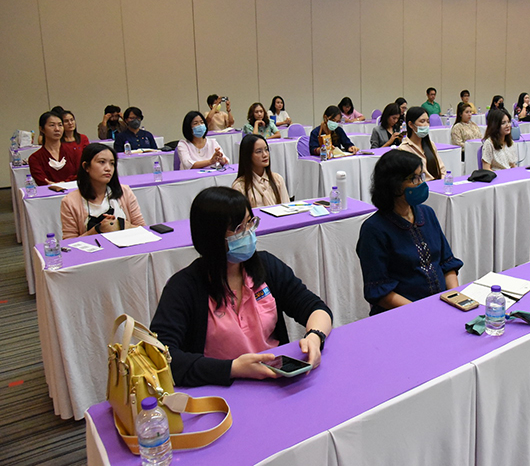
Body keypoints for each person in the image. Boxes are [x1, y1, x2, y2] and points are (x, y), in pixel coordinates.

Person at [149, 186, 332, 387]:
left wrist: (315, 336)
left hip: (275, 379)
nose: (248, 233)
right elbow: (161, 355)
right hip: (218, 387)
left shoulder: (266, 266)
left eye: (250, 222)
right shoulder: (184, 287)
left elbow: (315, 308)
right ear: (211, 236)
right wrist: (232, 368)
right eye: (238, 228)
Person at [356, 150, 462, 316]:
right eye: (414, 178)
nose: (421, 183)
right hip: (402, 314)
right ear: (394, 184)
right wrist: (421, 312)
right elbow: (379, 291)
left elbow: (447, 263)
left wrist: (454, 298)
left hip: (440, 306)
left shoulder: (427, 214)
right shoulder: (374, 229)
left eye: (421, 176)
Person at [60, 143, 146, 239]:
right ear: (86, 166)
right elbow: (69, 242)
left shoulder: (125, 192)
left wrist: (121, 225)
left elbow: (142, 229)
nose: (108, 168)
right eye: (102, 162)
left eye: (112, 163)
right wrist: (97, 230)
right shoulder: (70, 201)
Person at [232, 134, 290, 207]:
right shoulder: (240, 186)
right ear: (248, 155)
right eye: (258, 151)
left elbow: (287, 208)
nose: (265, 155)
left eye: (266, 149)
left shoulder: (277, 179)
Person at [28, 111, 80, 185]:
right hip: (49, 191)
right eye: (52, 125)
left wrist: (63, 183)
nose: (57, 129)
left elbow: (80, 174)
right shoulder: (35, 158)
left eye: (60, 125)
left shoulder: (73, 151)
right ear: (41, 129)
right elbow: (42, 181)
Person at [398, 107, 445, 180]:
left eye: (428, 121)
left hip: (437, 184)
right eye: (422, 121)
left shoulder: (431, 145)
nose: (426, 125)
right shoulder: (403, 149)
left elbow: (442, 170)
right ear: (411, 124)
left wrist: (441, 182)